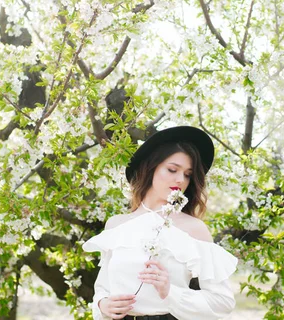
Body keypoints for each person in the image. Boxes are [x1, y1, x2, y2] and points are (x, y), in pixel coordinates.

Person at [82, 126, 238, 320]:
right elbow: (103, 287)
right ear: (150, 168)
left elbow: (222, 302)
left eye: (188, 174)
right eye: (172, 169)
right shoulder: (116, 226)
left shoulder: (194, 229)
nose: (180, 179)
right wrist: (103, 304)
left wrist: (170, 291)